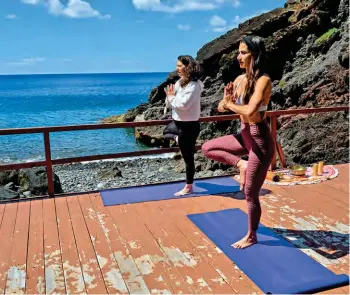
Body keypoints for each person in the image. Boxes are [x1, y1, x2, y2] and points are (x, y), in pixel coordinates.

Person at [201, 36, 275, 249]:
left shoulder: (263, 81)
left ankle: (252, 235)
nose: (238, 57)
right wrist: (226, 103)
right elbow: (221, 107)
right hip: (244, 135)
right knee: (207, 147)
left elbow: (251, 112)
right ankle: (240, 164)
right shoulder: (240, 79)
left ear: (255, 54)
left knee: (250, 193)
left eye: (243, 52)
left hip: (259, 139)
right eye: (238, 52)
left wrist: (229, 105)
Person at [163, 55, 203, 196]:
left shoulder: (194, 85)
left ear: (188, 66)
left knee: (188, 158)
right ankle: (179, 139)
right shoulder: (180, 82)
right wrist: (170, 97)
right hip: (177, 123)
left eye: (180, 65)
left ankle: (188, 187)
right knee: (166, 131)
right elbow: (173, 102)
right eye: (177, 65)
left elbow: (183, 105)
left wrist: (172, 97)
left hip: (189, 126)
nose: (177, 68)